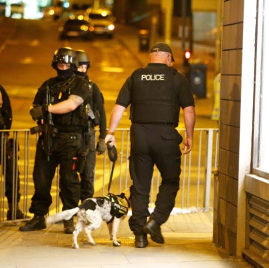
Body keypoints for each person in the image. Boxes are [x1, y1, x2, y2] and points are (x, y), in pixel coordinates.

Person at [105, 42, 196, 248]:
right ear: (168, 58)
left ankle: (139, 236)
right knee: (170, 181)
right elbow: (188, 110)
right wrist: (189, 136)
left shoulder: (136, 76)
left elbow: (119, 107)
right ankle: (155, 221)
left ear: (150, 57)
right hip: (165, 136)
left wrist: (110, 133)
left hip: (140, 136)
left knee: (140, 186)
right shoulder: (176, 78)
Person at [19, 47, 91, 233]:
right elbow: (35, 105)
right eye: (60, 64)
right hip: (48, 138)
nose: (63, 67)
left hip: (71, 140)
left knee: (69, 182)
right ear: (55, 64)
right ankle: (38, 217)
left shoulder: (80, 84)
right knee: (41, 180)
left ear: (73, 65)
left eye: (67, 64)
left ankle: (68, 219)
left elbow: (72, 104)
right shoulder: (48, 85)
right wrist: (38, 112)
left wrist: (47, 109)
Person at [74, 50, 106, 201]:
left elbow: (102, 112)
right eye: (79, 67)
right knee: (70, 176)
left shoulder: (93, 88)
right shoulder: (68, 87)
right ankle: (71, 209)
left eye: (85, 67)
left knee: (88, 174)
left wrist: (102, 138)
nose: (82, 71)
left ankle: (86, 209)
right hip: (71, 135)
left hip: (88, 135)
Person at [0, 83, 26, 220]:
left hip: (2, 139)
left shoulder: (0, 89)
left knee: (12, 175)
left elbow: (7, 112)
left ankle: (14, 209)